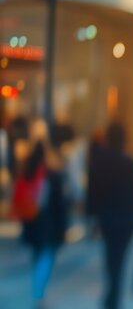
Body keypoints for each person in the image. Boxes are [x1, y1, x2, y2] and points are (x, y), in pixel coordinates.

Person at [86, 123, 133, 309]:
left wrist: (92, 216)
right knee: (120, 257)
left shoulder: (99, 163)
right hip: (126, 220)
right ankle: (114, 293)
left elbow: (92, 193)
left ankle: (112, 293)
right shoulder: (130, 164)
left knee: (111, 255)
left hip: (107, 219)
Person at [18, 121, 69, 305]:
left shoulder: (27, 167)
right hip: (47, 221)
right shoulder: (51, 168)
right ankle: (39, 292)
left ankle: (39, 291)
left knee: (38, 255)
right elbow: (60, 202)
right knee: (46, 255)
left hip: (32, 219)